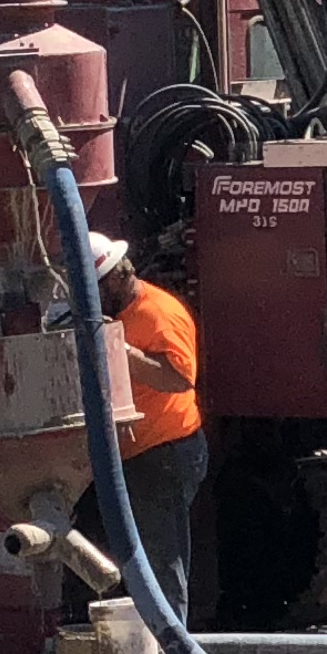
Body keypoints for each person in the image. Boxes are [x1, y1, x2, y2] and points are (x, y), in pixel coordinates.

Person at [85, 232, 206, 624]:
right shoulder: (119, 311)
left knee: (161, 558)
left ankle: (170, 643)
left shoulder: (159, 313)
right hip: (139, 454)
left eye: (95, 288)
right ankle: (160, 635)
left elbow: (179, 379)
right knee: (149, 555)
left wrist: (122, 352)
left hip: (165, 452)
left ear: (116, 278)